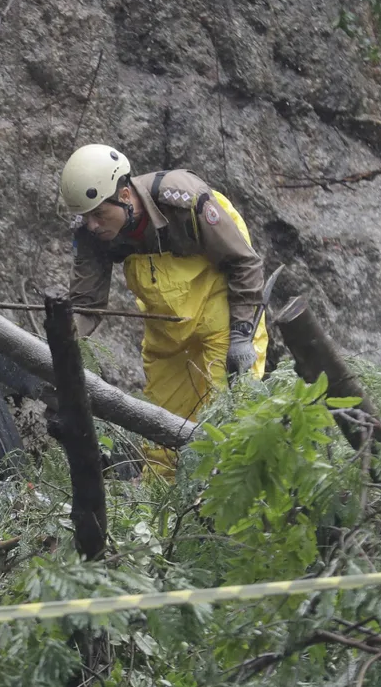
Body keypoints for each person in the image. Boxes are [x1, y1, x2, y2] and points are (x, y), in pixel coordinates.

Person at [60, 144, 269, 479]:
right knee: (162, 444)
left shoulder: (183, 201)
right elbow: (86, 306)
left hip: (224, 318)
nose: (93, 225)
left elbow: (245, 265)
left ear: (125, 195)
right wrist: (59, 346)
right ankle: (165, 521)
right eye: (86, 216)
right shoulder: (92, 234)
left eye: (99, 214)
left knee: (225, 431)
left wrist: (242, 336)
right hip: (169, 335)